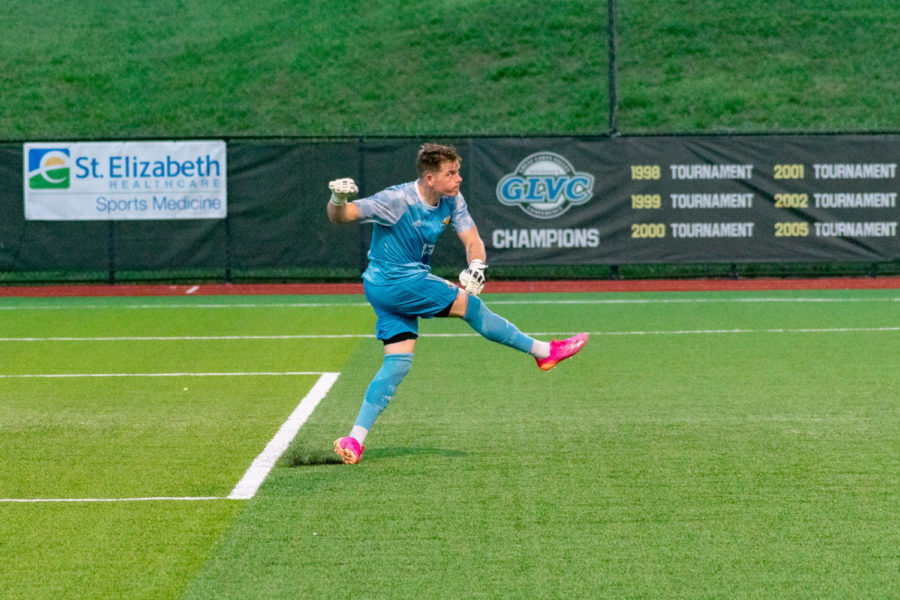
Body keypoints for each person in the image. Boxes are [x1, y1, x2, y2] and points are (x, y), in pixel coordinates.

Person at [327, 143, 588, 464]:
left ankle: (354, 440)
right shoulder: (396, 199)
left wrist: (477, 266)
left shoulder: (451, 200)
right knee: (472, 308)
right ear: (429, 178)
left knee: (397, 364)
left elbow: (473, 241)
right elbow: (343, 216)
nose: (458, 179)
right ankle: (545, 353)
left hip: (385, 288)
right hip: (396, 281)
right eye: (450, 173)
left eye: (458, 171)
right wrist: (338, 200)